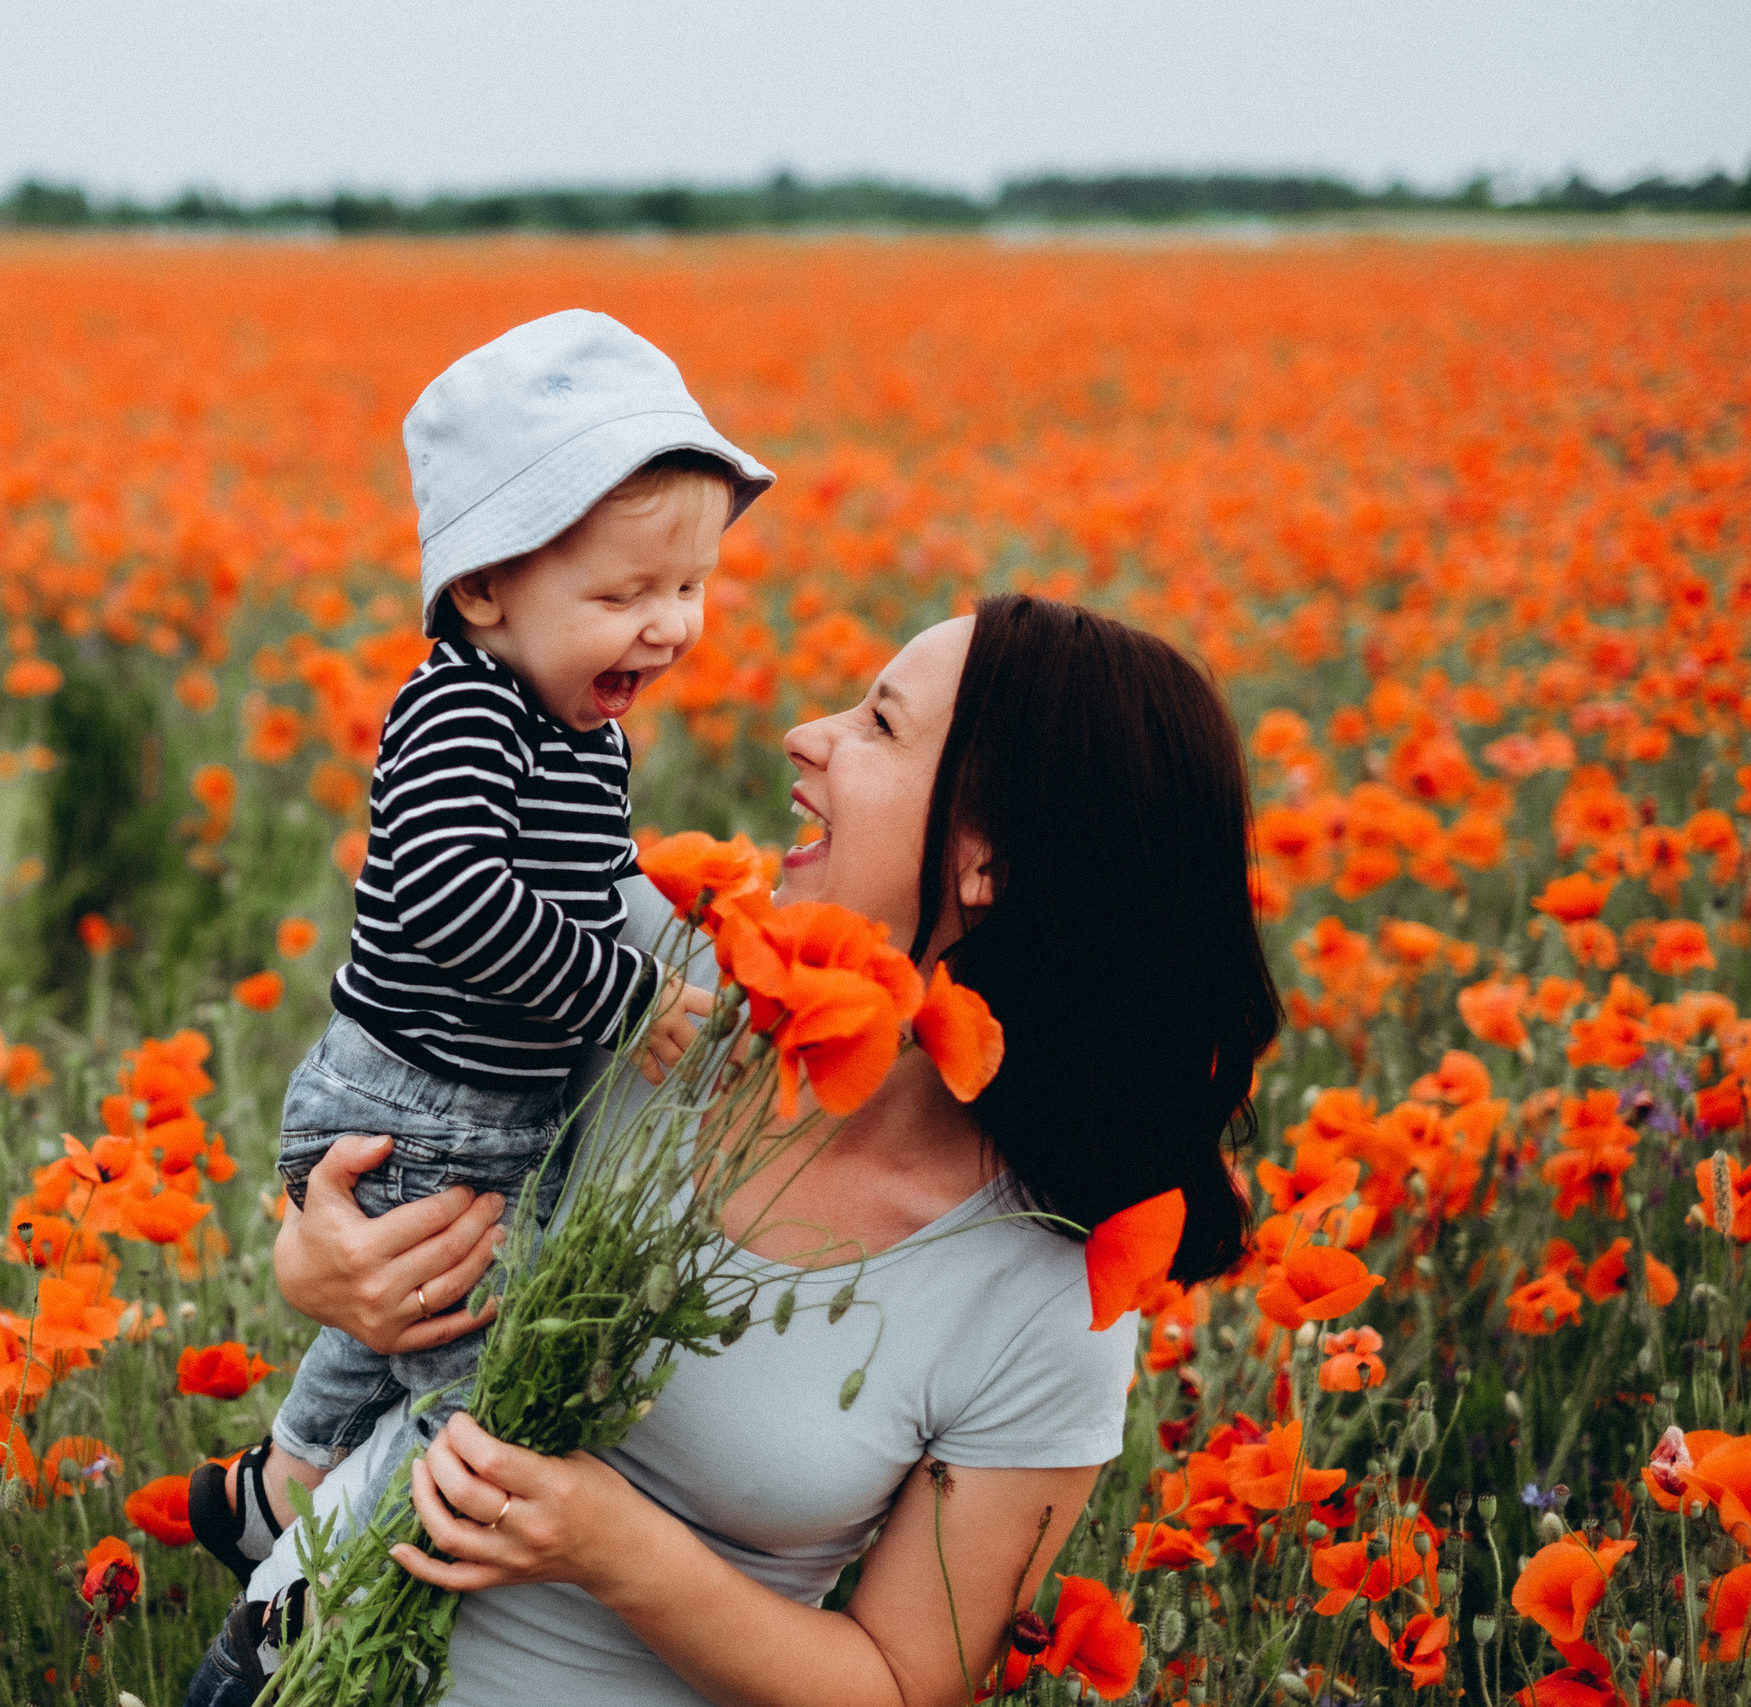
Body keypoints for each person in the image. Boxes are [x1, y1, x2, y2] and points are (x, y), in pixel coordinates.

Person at [191, 593, 1282, 1706]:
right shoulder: (638, 974)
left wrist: (616, 1549)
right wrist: (316, 1265)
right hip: (279, 1667)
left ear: (988, 860)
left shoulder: (1046, 1290)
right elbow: (392, 1123)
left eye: (881, 726)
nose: (807, 734)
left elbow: (906, 1682)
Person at [188, 310, 777, 1586]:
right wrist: (627, 993)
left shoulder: (580, 726)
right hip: (414, 1100)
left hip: (479, 1098)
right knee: (488, 1388)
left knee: (411, 1310)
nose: (667, 627)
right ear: (483, 589)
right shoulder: (463, 705)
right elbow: (454, 895)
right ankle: (341, 1600)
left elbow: (584, 880)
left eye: (689, 587)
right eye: (621, 595)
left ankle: (277, 1493)